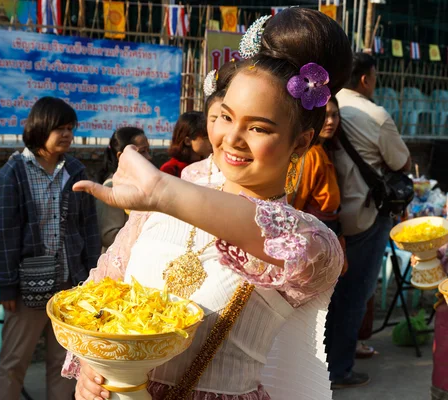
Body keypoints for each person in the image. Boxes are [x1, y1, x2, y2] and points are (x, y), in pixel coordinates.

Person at [67, 8, 351, 400]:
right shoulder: (171, 194)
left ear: (300, 142)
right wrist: (92, 370)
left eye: (258, 127)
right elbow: (102, 293)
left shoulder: (304, 243)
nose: (232, 138)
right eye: (225, 117)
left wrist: (161, 192)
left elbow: (296, 241)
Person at [0, 96, 101, 400]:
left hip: (70, 284)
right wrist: (7, 287)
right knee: (14, 361)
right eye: (59, 128)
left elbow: (89, 228)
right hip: (28, 287)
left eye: (69, 128)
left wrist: (92, 279)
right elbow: (3, 233)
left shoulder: (76, 171)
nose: (66, 134)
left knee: (64, 363)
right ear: (40, 128)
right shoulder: (13, 173)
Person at [326, 52, 412, 389]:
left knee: (329, 296)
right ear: (366, 78)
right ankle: (339, 368)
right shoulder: (375, 115)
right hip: (362, 217)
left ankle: (327, 360)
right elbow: (402, 161)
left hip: (327, 215)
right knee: (354, 293)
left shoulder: (326, 105)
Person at [288, 96, 348, 275]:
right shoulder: (311, 155)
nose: (330, 121)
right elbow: (295, 203)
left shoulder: (323, 150)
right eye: (325, 115)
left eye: (335, 115)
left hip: (328, 231)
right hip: (313, 238)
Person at [96, 127, 151, 250]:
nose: (148, 157)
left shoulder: (141, 183)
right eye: (142, 152)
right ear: (121, 156)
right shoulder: (112, 188)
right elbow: (108, 236)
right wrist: (149, 238)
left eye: (148, 151)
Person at [160, 111, 211, 177]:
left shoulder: (211, 166)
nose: (211, 141)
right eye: (206, 137)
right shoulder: (170, 170)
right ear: (187, 141)